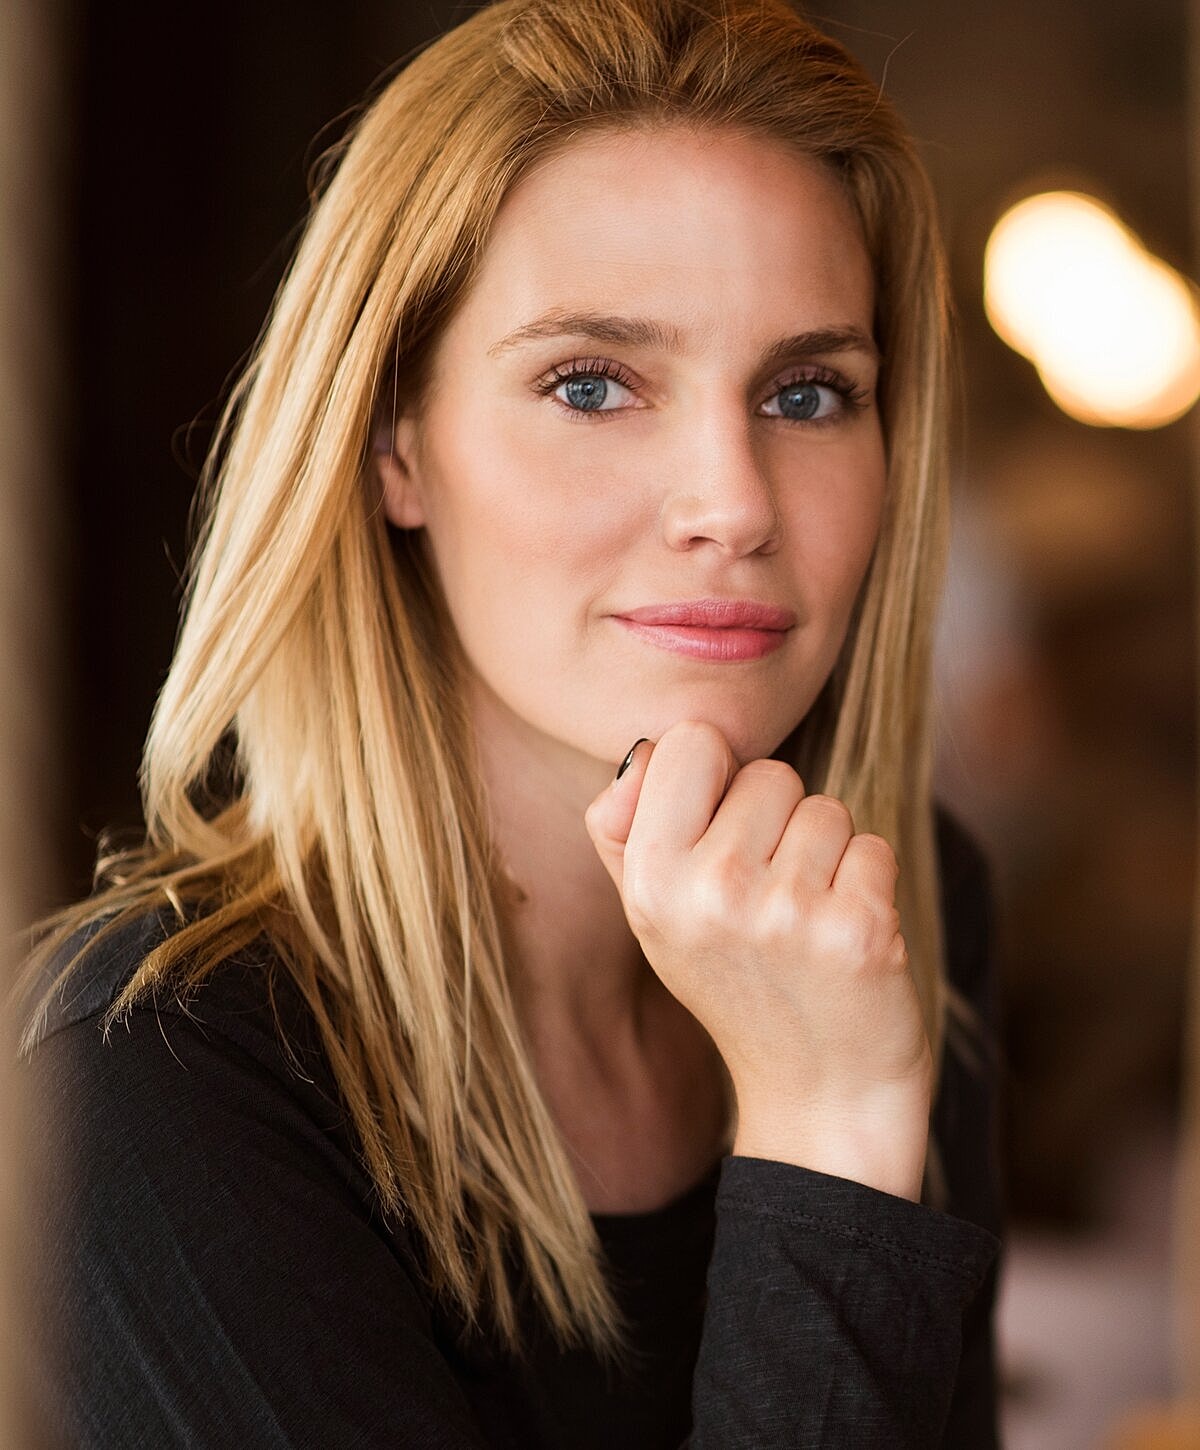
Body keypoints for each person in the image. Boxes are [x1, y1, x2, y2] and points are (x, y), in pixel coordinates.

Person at [10, 0, 1005, 1444]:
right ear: (392, 441)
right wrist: (832, 1141)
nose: (731, 501)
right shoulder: (148, 1087)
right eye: (591, 384)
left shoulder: (887, 921)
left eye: (807, 391)